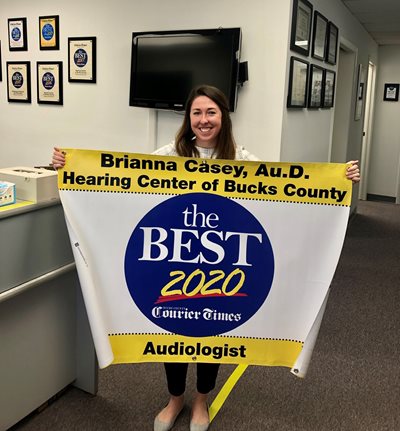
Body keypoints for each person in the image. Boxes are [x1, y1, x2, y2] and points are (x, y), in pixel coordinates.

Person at [52, 85, 360, 431]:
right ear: (188, 118)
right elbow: (121, 186)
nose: (203, 120)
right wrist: (71, 167)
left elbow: (286, 194)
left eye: (211, 112)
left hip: (222, 264)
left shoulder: (242, 159)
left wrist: (338, 180)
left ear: (223, 117)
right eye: (196, 113)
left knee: (213, 333)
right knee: (173, 333)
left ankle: (201, 400)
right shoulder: (169, 154)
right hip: (172, 259)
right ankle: (174, 399)